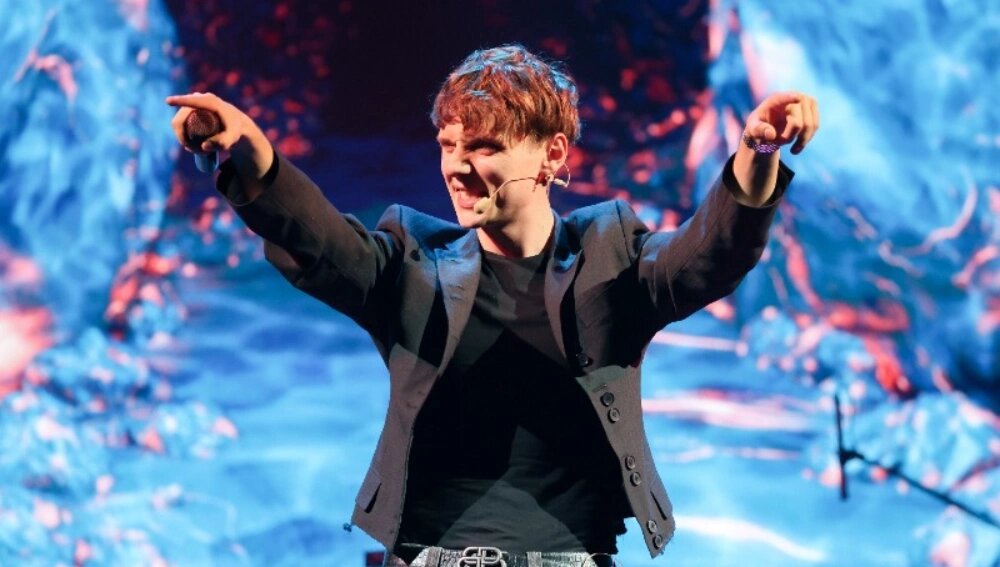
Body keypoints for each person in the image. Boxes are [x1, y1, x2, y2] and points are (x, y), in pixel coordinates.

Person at [167, 44, 818, 567]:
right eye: (448, 145)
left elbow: (708, 257)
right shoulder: (411, 262)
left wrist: (758, 153)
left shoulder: (610, 257)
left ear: (552, 153)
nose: (456, 166)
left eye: (483, 147)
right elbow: (321, 241)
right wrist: (250, 156)